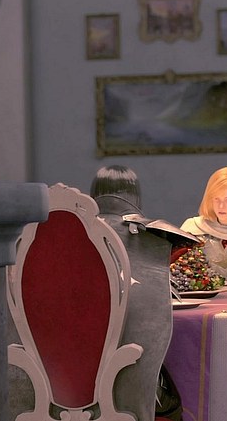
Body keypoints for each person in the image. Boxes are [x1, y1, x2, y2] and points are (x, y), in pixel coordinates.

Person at [90, 165, 196, 421]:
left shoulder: (65, 234)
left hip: (62, 379)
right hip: (136, 382)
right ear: (136, 196)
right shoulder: (157, 236)